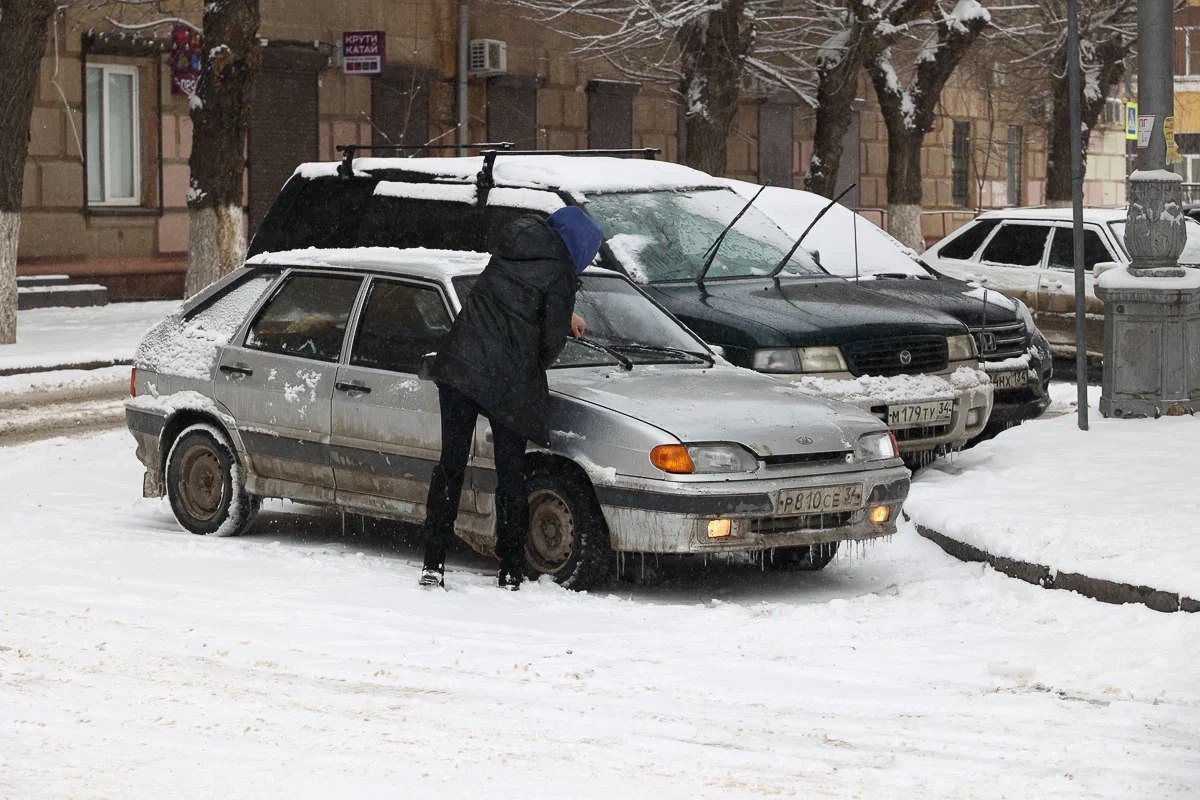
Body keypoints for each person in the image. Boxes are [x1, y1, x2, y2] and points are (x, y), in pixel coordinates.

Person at [419, 207, 603, 590]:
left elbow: (513, 295)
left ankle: (433, 562)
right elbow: (549, 343)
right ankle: (511, 567)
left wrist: (564, 314)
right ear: (579, 250)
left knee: (451, 464)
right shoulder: (560, 276)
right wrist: (541, 342)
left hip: (461, 363)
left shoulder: (514, 245)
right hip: (507, 379)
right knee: (510, 473)